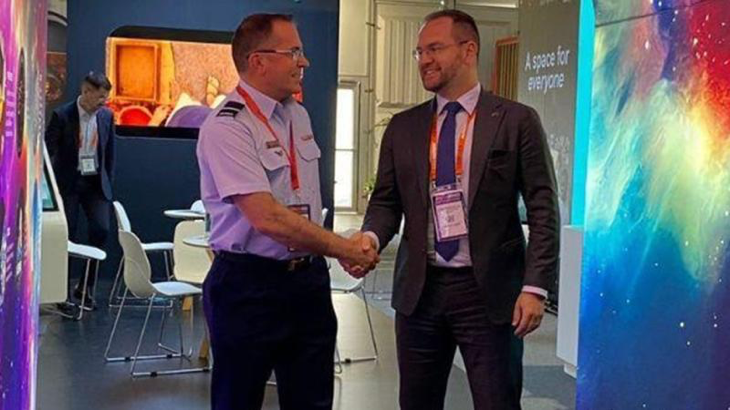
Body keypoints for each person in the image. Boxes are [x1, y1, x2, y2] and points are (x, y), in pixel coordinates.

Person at [342, 10, 560, 410]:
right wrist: (370, 237)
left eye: (435, 48)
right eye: (419, 51)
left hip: (490, 292)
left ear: (469, 50)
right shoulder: (403, 127)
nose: (424, 59)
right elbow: (387, 201)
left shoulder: (515, 121)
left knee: (498, 401)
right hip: (420, 292)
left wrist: (535, 287)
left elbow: (544, 208)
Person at [196, 13, 378, 410]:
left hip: (306, 284)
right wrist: (344, 249)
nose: (304, 61)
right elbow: (268, 217)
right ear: (258, 61)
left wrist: (327, 252)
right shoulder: (228, 126)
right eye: (293, 51)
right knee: (237, 401)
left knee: (312, 401)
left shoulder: (297, 114)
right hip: (249, 285)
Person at [45, 72, 115, 309]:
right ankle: (61, 292)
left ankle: (85, 287)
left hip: (95, 184)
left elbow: (109, 154)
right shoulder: (62, 115)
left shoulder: (106, 116)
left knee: (101, 230)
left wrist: (107, 183)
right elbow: (48, 152)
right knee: (68, 236)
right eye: (100, 97)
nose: (103, 102)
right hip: (69, 184)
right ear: (86, 92)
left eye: (106, 97)